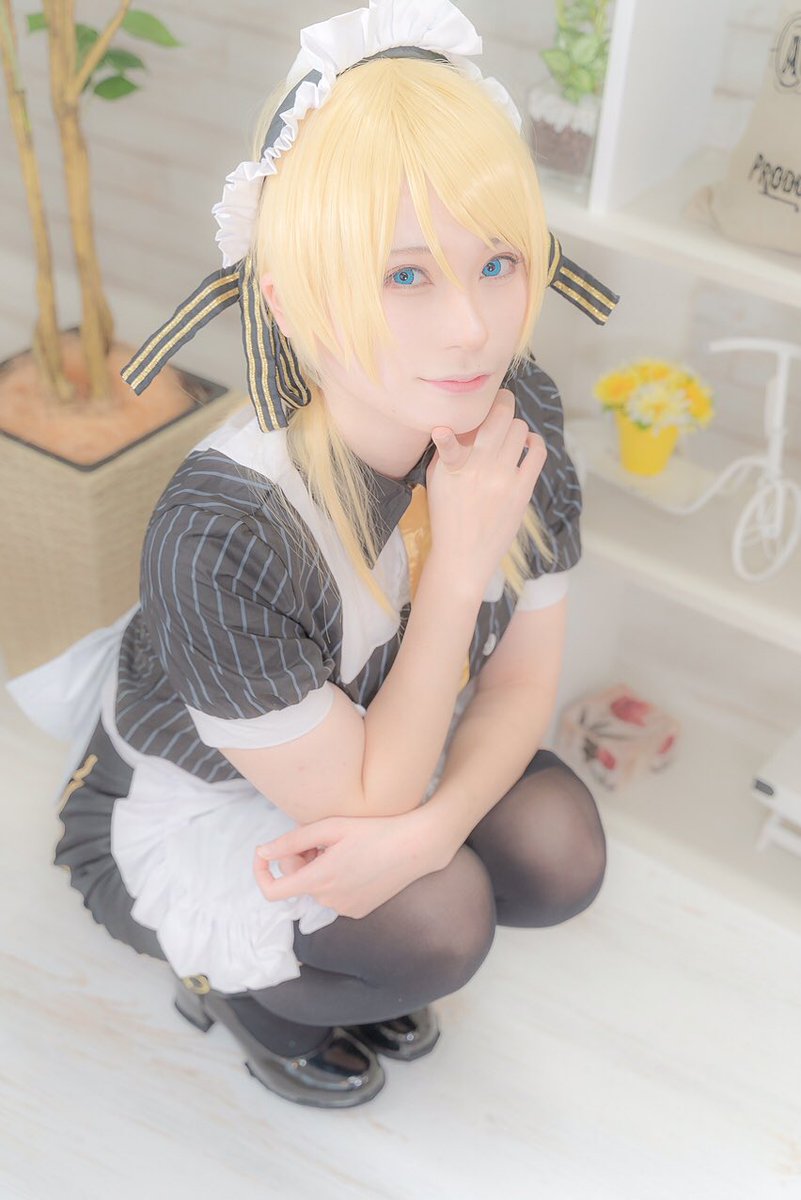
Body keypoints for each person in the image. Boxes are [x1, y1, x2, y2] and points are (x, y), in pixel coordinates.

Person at [14, 0, 620, 1110]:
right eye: (406, 276)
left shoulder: (511, 410)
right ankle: (248, 994)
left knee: (557, 852)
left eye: (497, 262)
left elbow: (519, 684)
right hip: (200, 807)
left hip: (390, 753)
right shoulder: (227, 527)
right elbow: (368, 793)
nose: (472, 328)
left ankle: (345, 950)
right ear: (290, 299)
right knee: (441, 920)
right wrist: (460, 560)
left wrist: (430, 833)